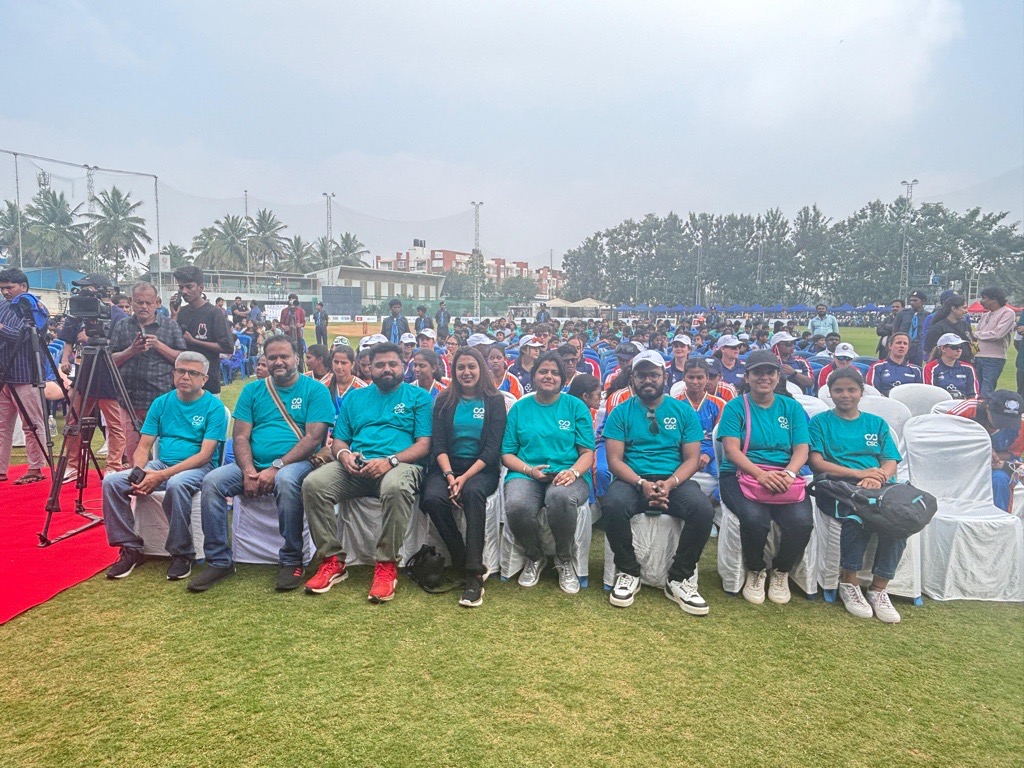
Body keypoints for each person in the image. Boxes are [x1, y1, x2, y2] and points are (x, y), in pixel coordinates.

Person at [189, 336, 334, 593]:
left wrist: (276, 467)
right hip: (252, 464)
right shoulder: (253, 390)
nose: (279, 362)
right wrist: (248, 471)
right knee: (212, 481)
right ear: (264, 359)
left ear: (296, 359)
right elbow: (241, 436)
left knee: (286, 480)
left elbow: (313, 438)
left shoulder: (315, 390)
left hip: (297, 463)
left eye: (285, 356)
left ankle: (292, 559)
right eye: (273, 357)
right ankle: (219, 559)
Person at [301, 342, 433, 603]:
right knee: (313, 484)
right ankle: (332, 560)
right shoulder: (355, 397)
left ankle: (386, 566)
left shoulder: (418, 397)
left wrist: (390, 460)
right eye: (380, 364)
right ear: (369, 367)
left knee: (395, 487)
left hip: (400, 466)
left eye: (392, 364)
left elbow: (424, 445)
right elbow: (339, 440)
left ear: (402, 366)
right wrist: (344, 456)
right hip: (357, 467)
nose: (386, 369)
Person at [603, 351, 715, 614]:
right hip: (633, 479)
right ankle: (629, 572)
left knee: (702, 510)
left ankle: (679, 577)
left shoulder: (683, 411)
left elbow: (691, 458)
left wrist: (671, 483)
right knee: (613, 506)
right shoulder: (620, 413)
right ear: (632, 379)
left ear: (665, 377)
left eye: (654, 374)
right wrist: (642, 482)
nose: (648, 380)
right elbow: (615, 461)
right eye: (641, 375)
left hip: (673, 480)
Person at [101, 351, 227, 580]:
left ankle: (181, 553)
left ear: (204, 379)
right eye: (181, 371)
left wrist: (161, 476)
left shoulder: (214, 407)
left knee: (177, 484)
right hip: (161, 464)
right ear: (173, 373)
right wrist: (140, 472)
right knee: (112, 481)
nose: (185, 377)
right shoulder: (162, 403)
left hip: (199, 469)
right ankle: (130, 548)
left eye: (193, 373)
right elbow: (143, 445)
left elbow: (205, 456)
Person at [717, 350, 813, 606]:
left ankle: (781, 571)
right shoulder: (736, 407)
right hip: (741, 474)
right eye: (757, 372)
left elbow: (802, 448)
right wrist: (760, 474)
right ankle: (756, 570)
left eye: (769, 372)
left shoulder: (791, 407)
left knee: (801, 522)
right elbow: (731, 450)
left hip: (784, 474)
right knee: (754, 519)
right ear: (747, 377)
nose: (764, 377)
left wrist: (790, 473)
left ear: (777, 376)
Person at [808, 368, 904, 623]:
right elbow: (816, 462)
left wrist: (878, 476)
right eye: (839, 390)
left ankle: (878, 588)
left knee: (900, 521)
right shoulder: (820, 422)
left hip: (878, 486)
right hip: (839, 486)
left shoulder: (876, 423)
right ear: (830, 393)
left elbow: (890, 459)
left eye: (851, 389)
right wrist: (857, 473)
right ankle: (848, 583)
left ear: (861, 392)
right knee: (856, 519)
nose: (845, 395)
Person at [419, 347, 507, 607]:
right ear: (453, 371)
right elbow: (438, 444)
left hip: (480, 468)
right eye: (461, 367)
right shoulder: (444, 400)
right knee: (432, 497)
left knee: (472, 493)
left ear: (481, 369)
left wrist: (464, 478)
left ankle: (473, 573)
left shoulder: (494, 400)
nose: (466, 372)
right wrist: (449, 476)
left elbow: (492, 448)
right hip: (446, 466)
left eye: (472, 366)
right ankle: (459, 554)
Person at [501, 351, 595, 593]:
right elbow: (507, 453)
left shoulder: (575, 407)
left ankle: (563, 560)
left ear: (563, 379)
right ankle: (534, 556)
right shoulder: (520, 408)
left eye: (555, 372)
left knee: (560, 497)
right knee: (517, 504)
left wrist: (573, 473)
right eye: (543, 371)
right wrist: (529, 470)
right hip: (526, 472)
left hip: (569, 473)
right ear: (534, 376)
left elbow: (587, 452)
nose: (549, 376)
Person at [58, 273, 131, 479]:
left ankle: (114, 466)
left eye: (88, 287)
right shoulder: (77, 310)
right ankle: (72, 465)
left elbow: (123, 344)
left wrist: (92, 338)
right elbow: (68, 338)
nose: (84, 291)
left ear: (100, 289)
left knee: (115, 423)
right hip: (84, 370)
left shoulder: (116, 314)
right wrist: (65, 359)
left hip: (108, 371)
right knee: (74, 419)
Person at [110, 281, 188, 460]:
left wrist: (159, 346)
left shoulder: (169, 326)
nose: (144, 307)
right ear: (132, 302)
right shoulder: (122, 326)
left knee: (165, 454)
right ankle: (137, 485)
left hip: (161, 400)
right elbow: (110, 359)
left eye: (148, 303)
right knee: (133, 454)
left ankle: (162, 485)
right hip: (129, 400)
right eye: (139, 302)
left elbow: (184, 360)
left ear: (157, 303)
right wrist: (131, 350)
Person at [0, 267, 49, 484]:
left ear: (23, 287)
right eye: (2, 288)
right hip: (4, 375)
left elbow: (25, 336)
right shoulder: (2, 306)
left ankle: (36, 467)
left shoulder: (35, 308)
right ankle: (1, 469)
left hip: (26, 374)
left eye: (9, 288)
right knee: (2, 426)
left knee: (32, 424)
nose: (5, 292)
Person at [944, 391, 1023, 513]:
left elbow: (1013, 454)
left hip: (997, 463)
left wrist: (995, 458)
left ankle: (1000, 520)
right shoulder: (968, 409)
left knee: (1000, 480)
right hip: (959, 459)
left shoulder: (1020, 425)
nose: (1003, 426)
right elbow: (940, 435)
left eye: (1008, 422)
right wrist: (982, 451)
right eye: (1000, 420)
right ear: (987, 409)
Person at [172, 266, 234, 395]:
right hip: (183, 384)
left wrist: (194, 341)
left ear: (200, 288)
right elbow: (170, 343)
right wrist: (174, 315)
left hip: (208, 384)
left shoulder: (214, 313)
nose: (184, 291)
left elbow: (227, 347)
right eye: (181, 287)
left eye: (189, 287)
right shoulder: (180, 312)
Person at [674, 358, 725, 482]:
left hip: (711, 453)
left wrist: (709, 454)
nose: (695, 382)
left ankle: (711, 501)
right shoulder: (673, 403)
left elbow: (723, 437)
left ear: (707, 378)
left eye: (700, 377)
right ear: (683, 378)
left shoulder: (720, 404)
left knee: (726, 477)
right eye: (690, 377)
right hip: (682, 452)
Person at [974, 286, 1017, 399]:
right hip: (978, 357)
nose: (981, 301)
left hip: (994, 358)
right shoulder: (986, 315)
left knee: (986, 391)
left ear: (994, 299)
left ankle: (984, 415)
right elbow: (976, 337)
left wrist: (977, 335)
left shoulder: (1008, 313)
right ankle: (974, 414)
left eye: (984, 298)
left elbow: (997, 334)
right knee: (975, 390)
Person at [923, 333, 979, 400]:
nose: (959, 350)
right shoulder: (930, 367)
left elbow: (973, 394)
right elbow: (929, 392)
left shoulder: (968, 368)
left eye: (961, 347)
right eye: (954, 347)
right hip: (940, 405)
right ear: (943, 348)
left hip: (962, 405)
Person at [923, 294, 973, 361]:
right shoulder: (938, 327)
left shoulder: (965, 325)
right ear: (954, 309)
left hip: (964, 365)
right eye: (964, 308)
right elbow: (930, 350)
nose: (966, 311)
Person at [324, 345, 367, 415]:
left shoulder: (362, 388)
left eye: (343, 363)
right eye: (336, 362)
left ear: (352, 364)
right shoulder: (323, 385)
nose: (339, 366)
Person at [893, 290, 929, 366]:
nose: (912, 303)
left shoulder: (927, 316)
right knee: (899, 366)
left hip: (918, 347)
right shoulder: (902, 313)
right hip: (903, 345)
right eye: (911, 300)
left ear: (923, 301)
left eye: (915, 300)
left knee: (916, 369)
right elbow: (895, 330)